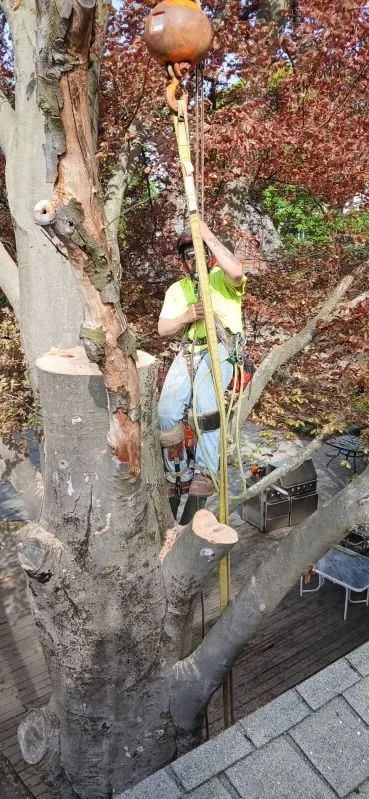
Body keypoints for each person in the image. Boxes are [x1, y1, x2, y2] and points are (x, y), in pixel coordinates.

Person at [157, 219, 266, 517]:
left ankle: (205, 472)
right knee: (166, 412)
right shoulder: (178, 289)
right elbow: (163, 328)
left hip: (222, 347)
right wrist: (186, 317)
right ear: (183, 262)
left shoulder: (221, 278)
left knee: (205, 404)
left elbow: (237, 270)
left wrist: (207, 234)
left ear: (209, 255)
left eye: (199, 252)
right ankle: (177, 473)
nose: (194, 259)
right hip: (191, 351)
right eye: (188, 255)